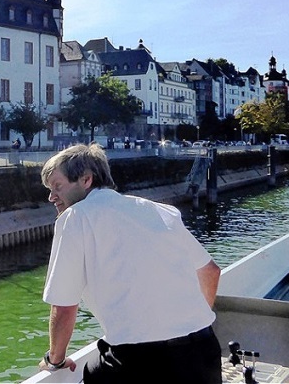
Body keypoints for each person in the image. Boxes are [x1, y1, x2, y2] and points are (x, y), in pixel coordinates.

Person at [38, 143, 221, 383]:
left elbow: (63, 308)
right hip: (203, 352)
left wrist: (55, 360)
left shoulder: (75, 218)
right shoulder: (160, 211)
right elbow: (211, 271)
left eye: (57, 187)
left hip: (138, 362)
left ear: (86, 180)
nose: (51, 197)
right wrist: (188, 324)